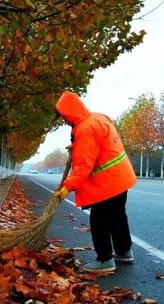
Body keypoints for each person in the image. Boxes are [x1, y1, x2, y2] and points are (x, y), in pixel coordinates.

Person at [53, 91, 137, 272]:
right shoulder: (98, 118)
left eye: (64, 118)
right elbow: (100, 144)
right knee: (118, 217)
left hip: (107, 184)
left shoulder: (84, 130)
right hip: (121, 178)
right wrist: (77, 147)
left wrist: (67, 187)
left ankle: (105, 259)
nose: (64, 121)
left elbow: (83, 166)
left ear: (70, 114)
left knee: (100, 220)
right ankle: (124, 251)